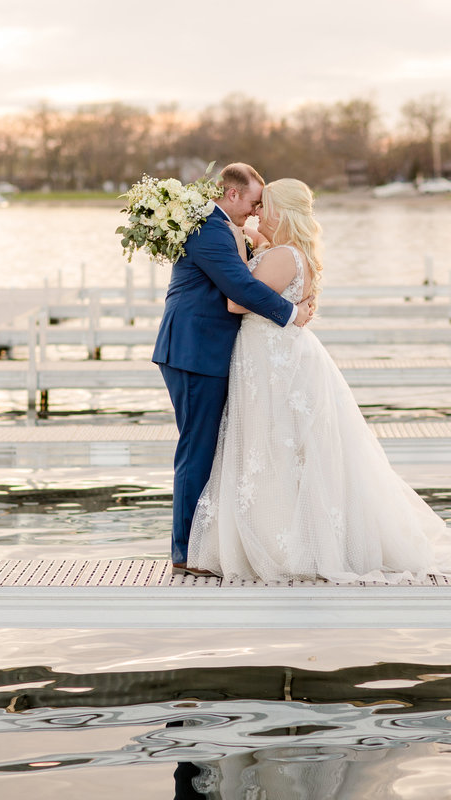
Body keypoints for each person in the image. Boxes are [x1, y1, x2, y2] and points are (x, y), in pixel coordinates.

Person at [187, 178, 451, 583]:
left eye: (264, 206)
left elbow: (238, 301)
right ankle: (280, 536)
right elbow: (255, 246)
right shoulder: (283, 249)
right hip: (269, 357)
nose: (256, 213)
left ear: (280, 213)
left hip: (272, 361)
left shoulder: (283, 256)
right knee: (275, 448)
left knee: (274, 446)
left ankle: (284, 545)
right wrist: (239, 232)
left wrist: (237, 245)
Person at [153, 163, 316, 575]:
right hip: (194, 352)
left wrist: (259, 243)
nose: (257, 212)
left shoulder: (225, 228)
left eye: (264, 206)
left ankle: (209, 545)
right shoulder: (210, 229)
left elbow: (249, 270)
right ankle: (185, 553)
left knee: (211, 448)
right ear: (232, 195)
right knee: (198, 449)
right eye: (254, 203)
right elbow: (240, 289)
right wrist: (291, 313)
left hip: (210, 351)